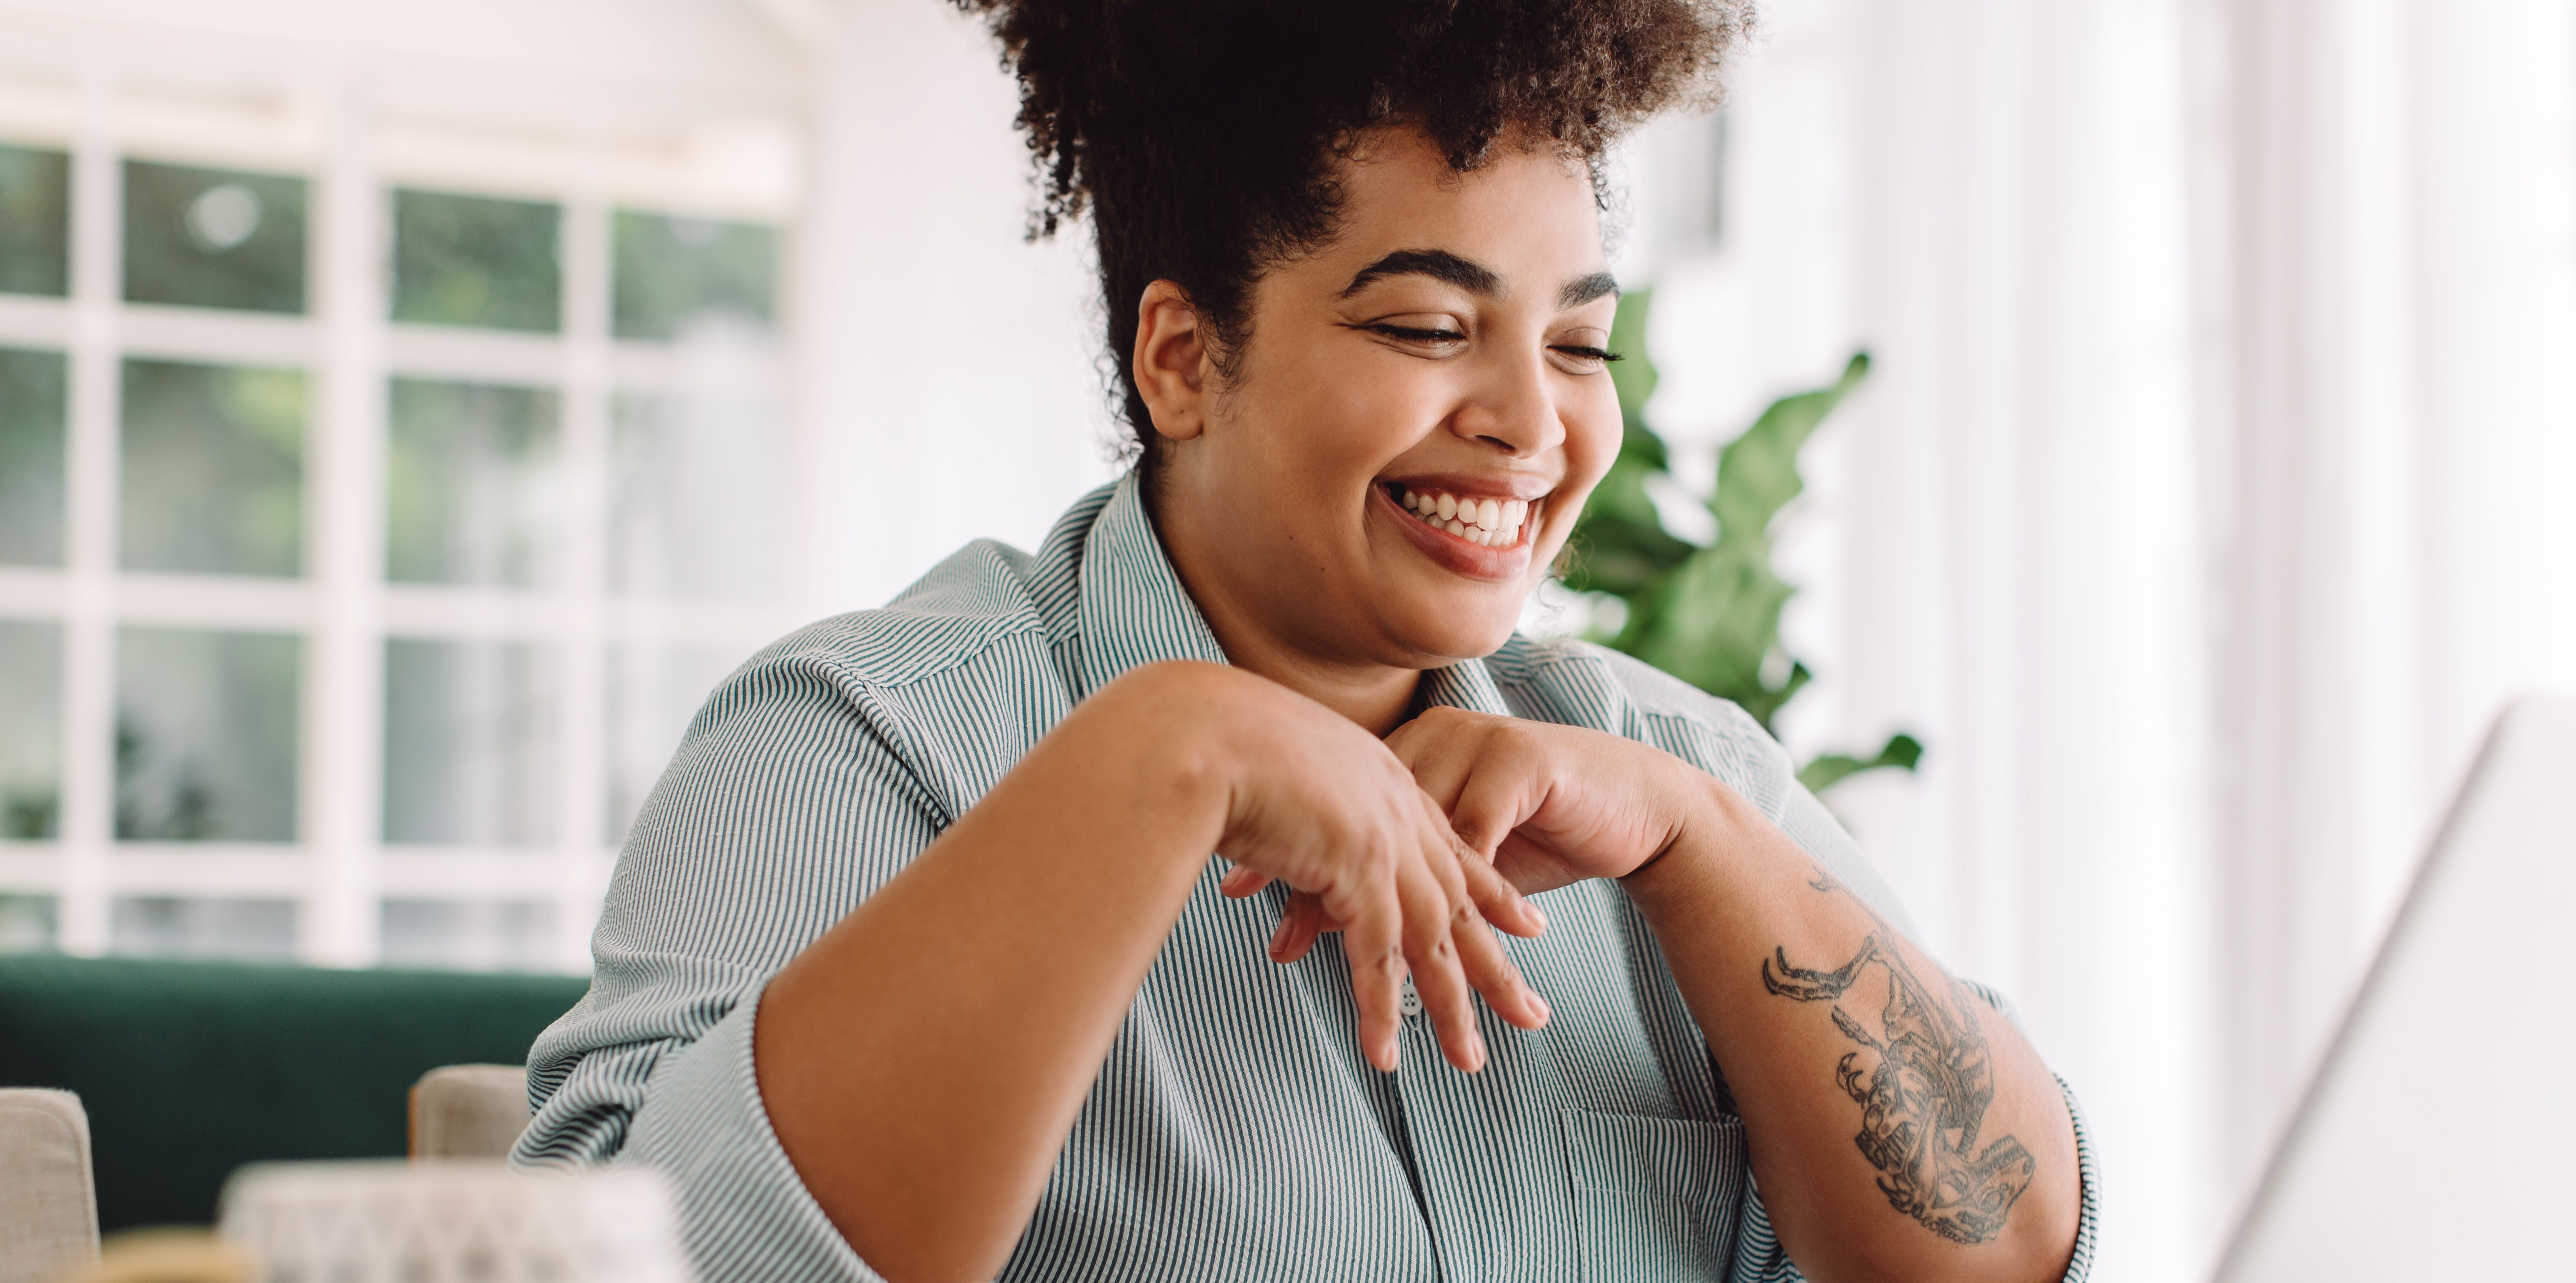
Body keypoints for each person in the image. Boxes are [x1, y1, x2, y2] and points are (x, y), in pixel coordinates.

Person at [518, 2, 2095, 1280]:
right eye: (1427, 326)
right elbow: (603, 1262)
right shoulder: (858, 741)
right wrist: (1161, 757)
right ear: (1187, 357)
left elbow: (2012, 1257)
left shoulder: (1675, 773)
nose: (1533, 421)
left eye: (1579, 342)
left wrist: (1697, 846)